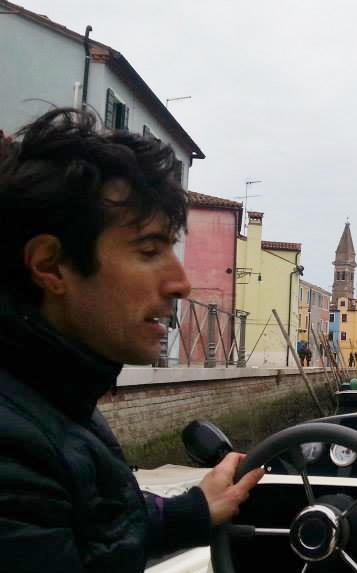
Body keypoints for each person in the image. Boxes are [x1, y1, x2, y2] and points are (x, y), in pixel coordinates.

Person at [0, 109, 264, 572]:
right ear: (50, 265)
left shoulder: (56, 398)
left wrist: (193, 512)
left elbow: (100, 526)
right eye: (149, 251)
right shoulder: (15, 450)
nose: (181, 283)